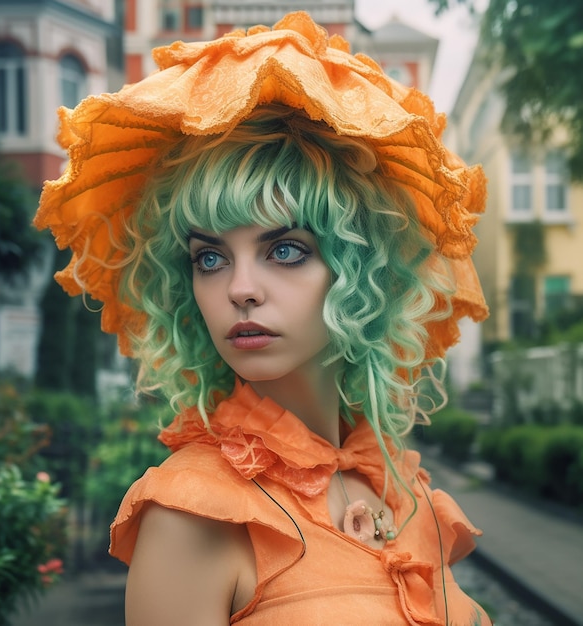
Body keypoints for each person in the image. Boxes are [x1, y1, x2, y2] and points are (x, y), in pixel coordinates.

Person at [35, 12, 491, 626]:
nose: (240, 290)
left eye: (285, 250)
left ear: (360, 271)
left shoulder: (395, 483)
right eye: (210, 257)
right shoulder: (195, 514)